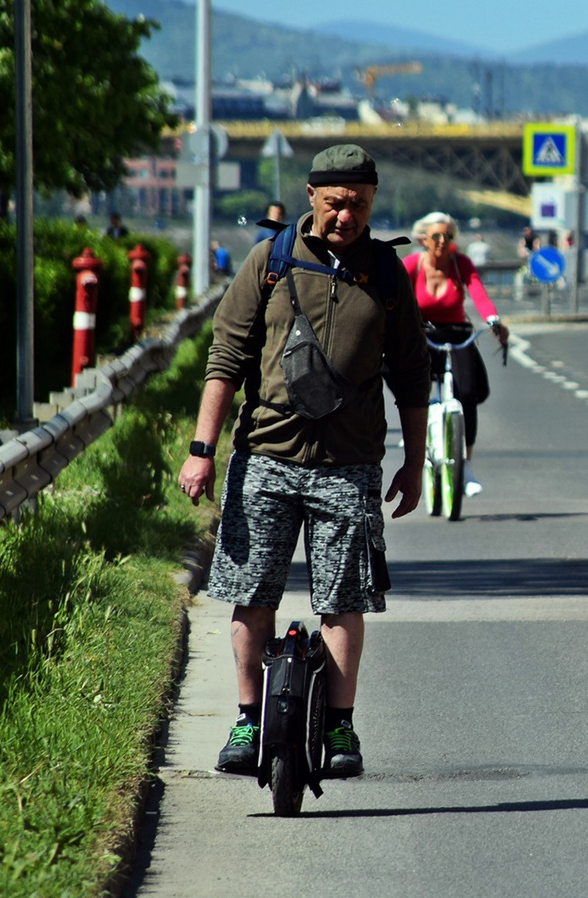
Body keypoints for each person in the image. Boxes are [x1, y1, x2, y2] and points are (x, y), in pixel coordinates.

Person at [176, 144, 430, 781]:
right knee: (249, 592)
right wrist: (202, 452)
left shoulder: (386, 271)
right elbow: (225, 362)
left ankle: (341, 726)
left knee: (344, 600)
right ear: (313, 196)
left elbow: (412, 374)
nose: (348, 215)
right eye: (338, 202)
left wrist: (416, 460)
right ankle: (246, 718)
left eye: (361, 204)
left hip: (349, 465)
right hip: (266, 458)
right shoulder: (271, 259)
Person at [403, 211, 510, 497]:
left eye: (448, 237)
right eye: (436, 236)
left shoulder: (460, 264)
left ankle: (466, 467)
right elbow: (395, 298)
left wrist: (493, 319)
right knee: (400, 374)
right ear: (423, 239)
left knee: (468, 393)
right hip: (421, 334)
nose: (442, 242)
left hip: (457, 333)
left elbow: (478, 293)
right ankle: (415, 429)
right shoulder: (411, 265)